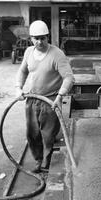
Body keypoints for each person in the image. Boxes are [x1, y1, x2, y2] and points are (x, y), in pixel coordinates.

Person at [15, 20, 74, 173]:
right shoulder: (29, 52)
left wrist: (60, 95)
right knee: (32, 134)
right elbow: (23, 71)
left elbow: (68, 77)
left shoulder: (57, 54)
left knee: (48, 135)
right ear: (31, 39)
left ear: (48, 37)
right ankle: (38, 159)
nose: (40, 41)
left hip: (50, 101)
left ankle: (46, 163)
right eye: (36, 38)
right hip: (32, 99)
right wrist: (18, 87)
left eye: (43, 38)